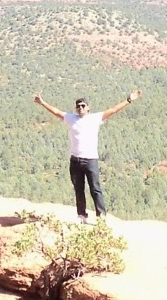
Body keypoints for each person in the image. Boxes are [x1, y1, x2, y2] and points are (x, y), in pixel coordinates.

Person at [34, 89, 142, 222]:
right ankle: (82, 215)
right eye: (78, 106)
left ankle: (101, 216)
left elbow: (113, 110)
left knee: (95, 188)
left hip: (91, 160)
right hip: (75, 160)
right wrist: (42, 102)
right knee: (79, 189)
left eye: (83, 106)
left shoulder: (95, 118)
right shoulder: (71, 118)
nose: (80, 108)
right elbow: (56, 111)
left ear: (88, 108)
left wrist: (129, 100)